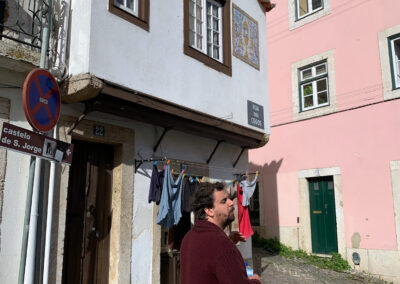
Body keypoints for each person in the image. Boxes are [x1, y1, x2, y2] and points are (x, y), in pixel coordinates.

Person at [180, 182, 262, 284]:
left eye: (229, 198)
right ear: (209, 211)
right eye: (224, 201)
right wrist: (255, 280)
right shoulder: (221, 244)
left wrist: (228, 240)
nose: (231, 202)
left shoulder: (189, 237)